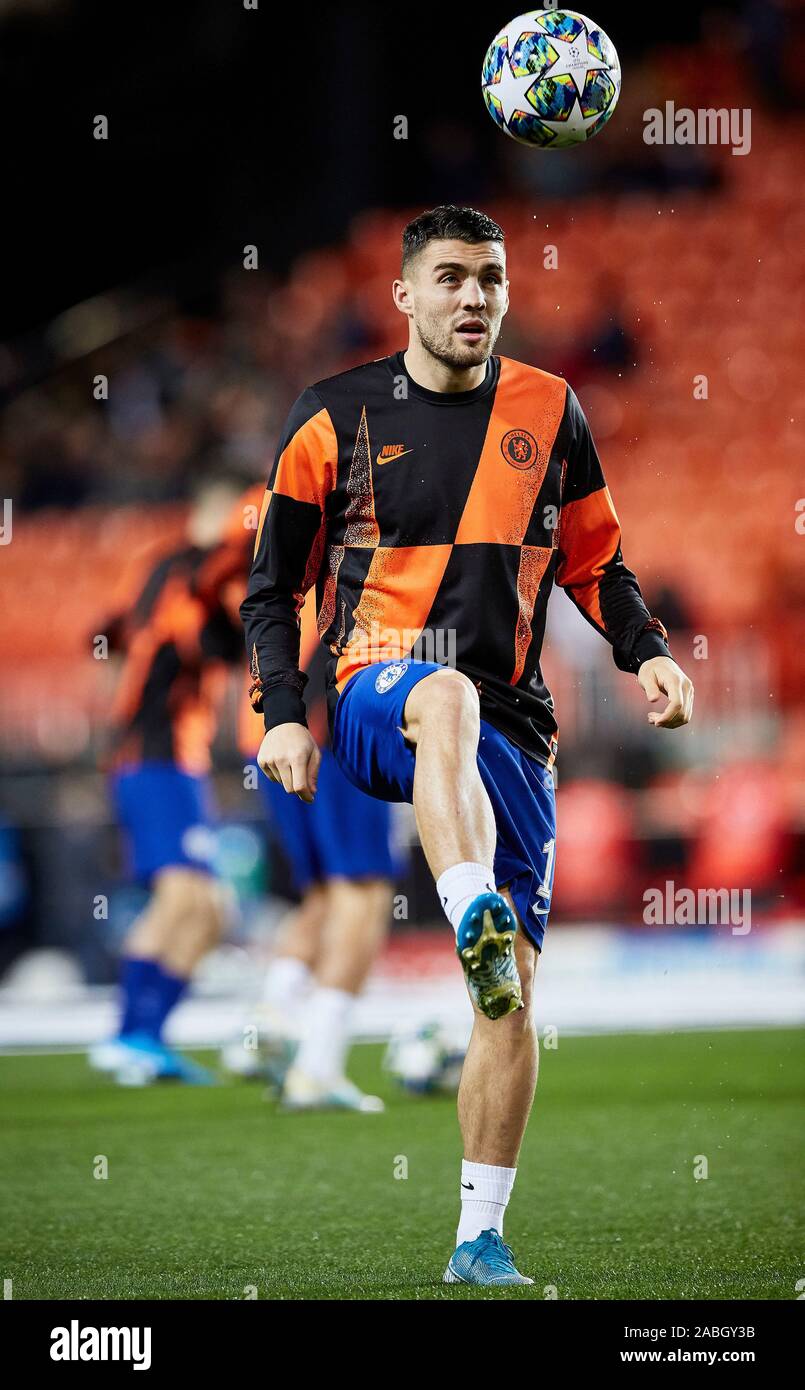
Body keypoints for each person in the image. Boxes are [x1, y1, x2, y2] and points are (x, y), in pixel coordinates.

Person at [240, 205, 694, 1286]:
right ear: (404, 296)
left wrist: (648, 654)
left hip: (514, 725)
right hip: (372, 690)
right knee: (439, 691)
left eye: (489, 278)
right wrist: (283, 713)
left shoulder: (551, 407)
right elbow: (274, 587)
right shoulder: (330, 415)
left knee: (511, 997)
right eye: (448, 278)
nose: (474, 297)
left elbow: (598, 562)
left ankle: (476, 1236)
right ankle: (466, 904)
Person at [222, 488, 403, 1111]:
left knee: (326, 893)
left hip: (268, 728)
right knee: (366, 889)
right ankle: (318, 1065)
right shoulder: (349, 503)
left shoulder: (263, 512)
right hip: (322, 723)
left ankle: (268, 1021)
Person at [90, 479, 244, 1085]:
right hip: (156, 758)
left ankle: (145, 1036)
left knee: (210, 909)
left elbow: (103, 637)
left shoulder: (164, 571)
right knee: (184, 899)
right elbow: (210, 643)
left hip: (172, 761)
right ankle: (130, 1034)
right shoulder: (192, 572)